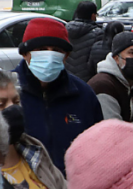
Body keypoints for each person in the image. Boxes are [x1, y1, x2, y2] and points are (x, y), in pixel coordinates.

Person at [14, 17, 104, 174]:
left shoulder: (83, 94)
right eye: (41, 49)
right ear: (25, 54)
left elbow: (98, 146)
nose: (49, 55)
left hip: (72, 188)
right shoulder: (7, 94)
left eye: (56, 50)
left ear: (66, 56)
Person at [89, 31, 133, 134]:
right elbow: (115, 134)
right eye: (132, 53)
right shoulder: (103, 86)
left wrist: (128, 127)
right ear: (116, 58)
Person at [66, 0, 104, 78]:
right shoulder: (98, 33)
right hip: (88, 78)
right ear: (93, 15)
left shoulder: (65, 30)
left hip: (67, 77)